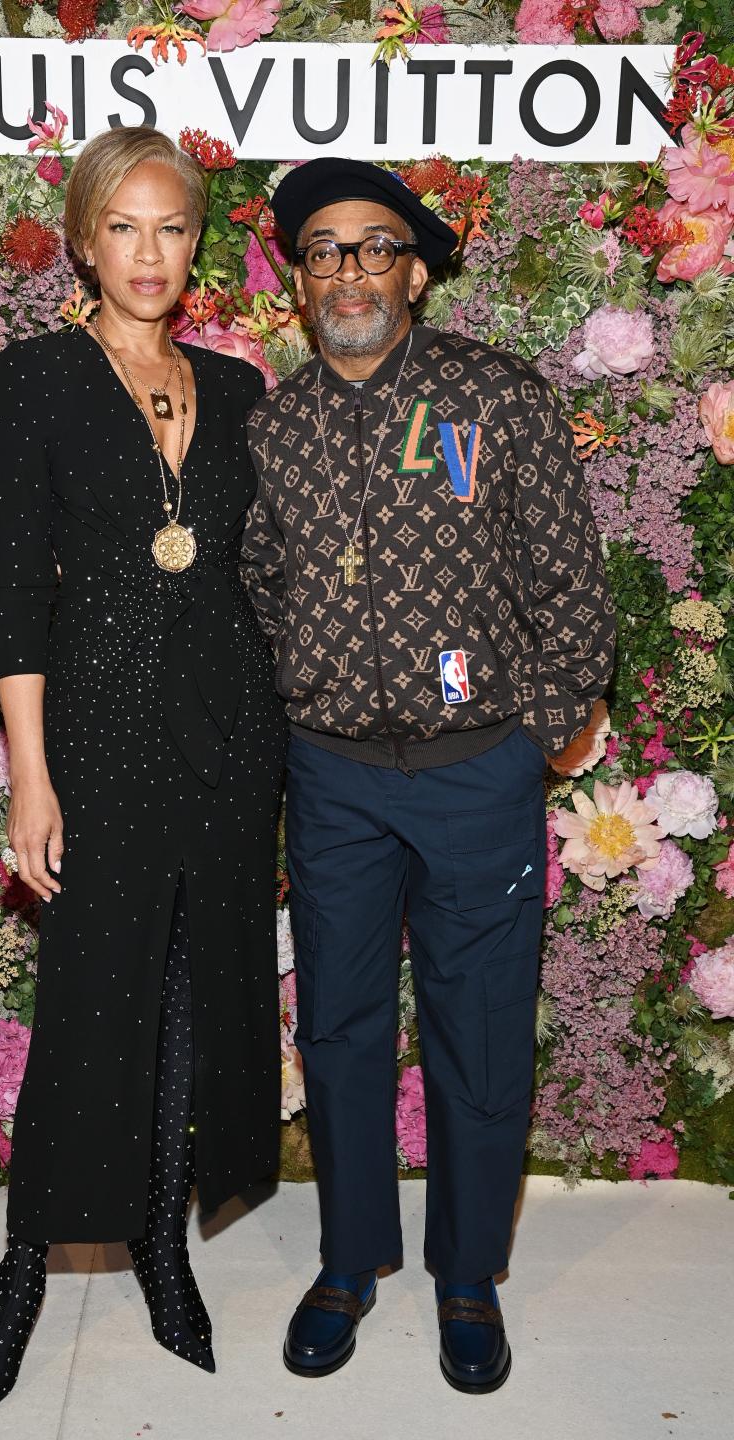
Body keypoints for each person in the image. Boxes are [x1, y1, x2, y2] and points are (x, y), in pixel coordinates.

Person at [240, 158, 615, 1393]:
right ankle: (351, 1262)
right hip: (334, 778)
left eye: (375, 245)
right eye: (325, 249)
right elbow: (255, 591)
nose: (350, 269)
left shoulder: (493, 397)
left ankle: (466, 1277)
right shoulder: (275, 426)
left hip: (475, 778)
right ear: (301, 277)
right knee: (341, 1027)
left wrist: (540, 731)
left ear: (415, 265)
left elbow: (569, 572)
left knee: (480, 1029)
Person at [0, 127, 287, 1430]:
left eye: (175, 228)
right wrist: (31, 779)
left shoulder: (241, 387)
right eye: (126, 228)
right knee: (94, 1006)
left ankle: (163, 1249)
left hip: (229, 735)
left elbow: (269, 576)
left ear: (193, 245)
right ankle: (26, 1275)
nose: (152, 254)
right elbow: (18, 607)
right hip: (94, 731)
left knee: (199, 1000)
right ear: (86, 242)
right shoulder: (34, 379)